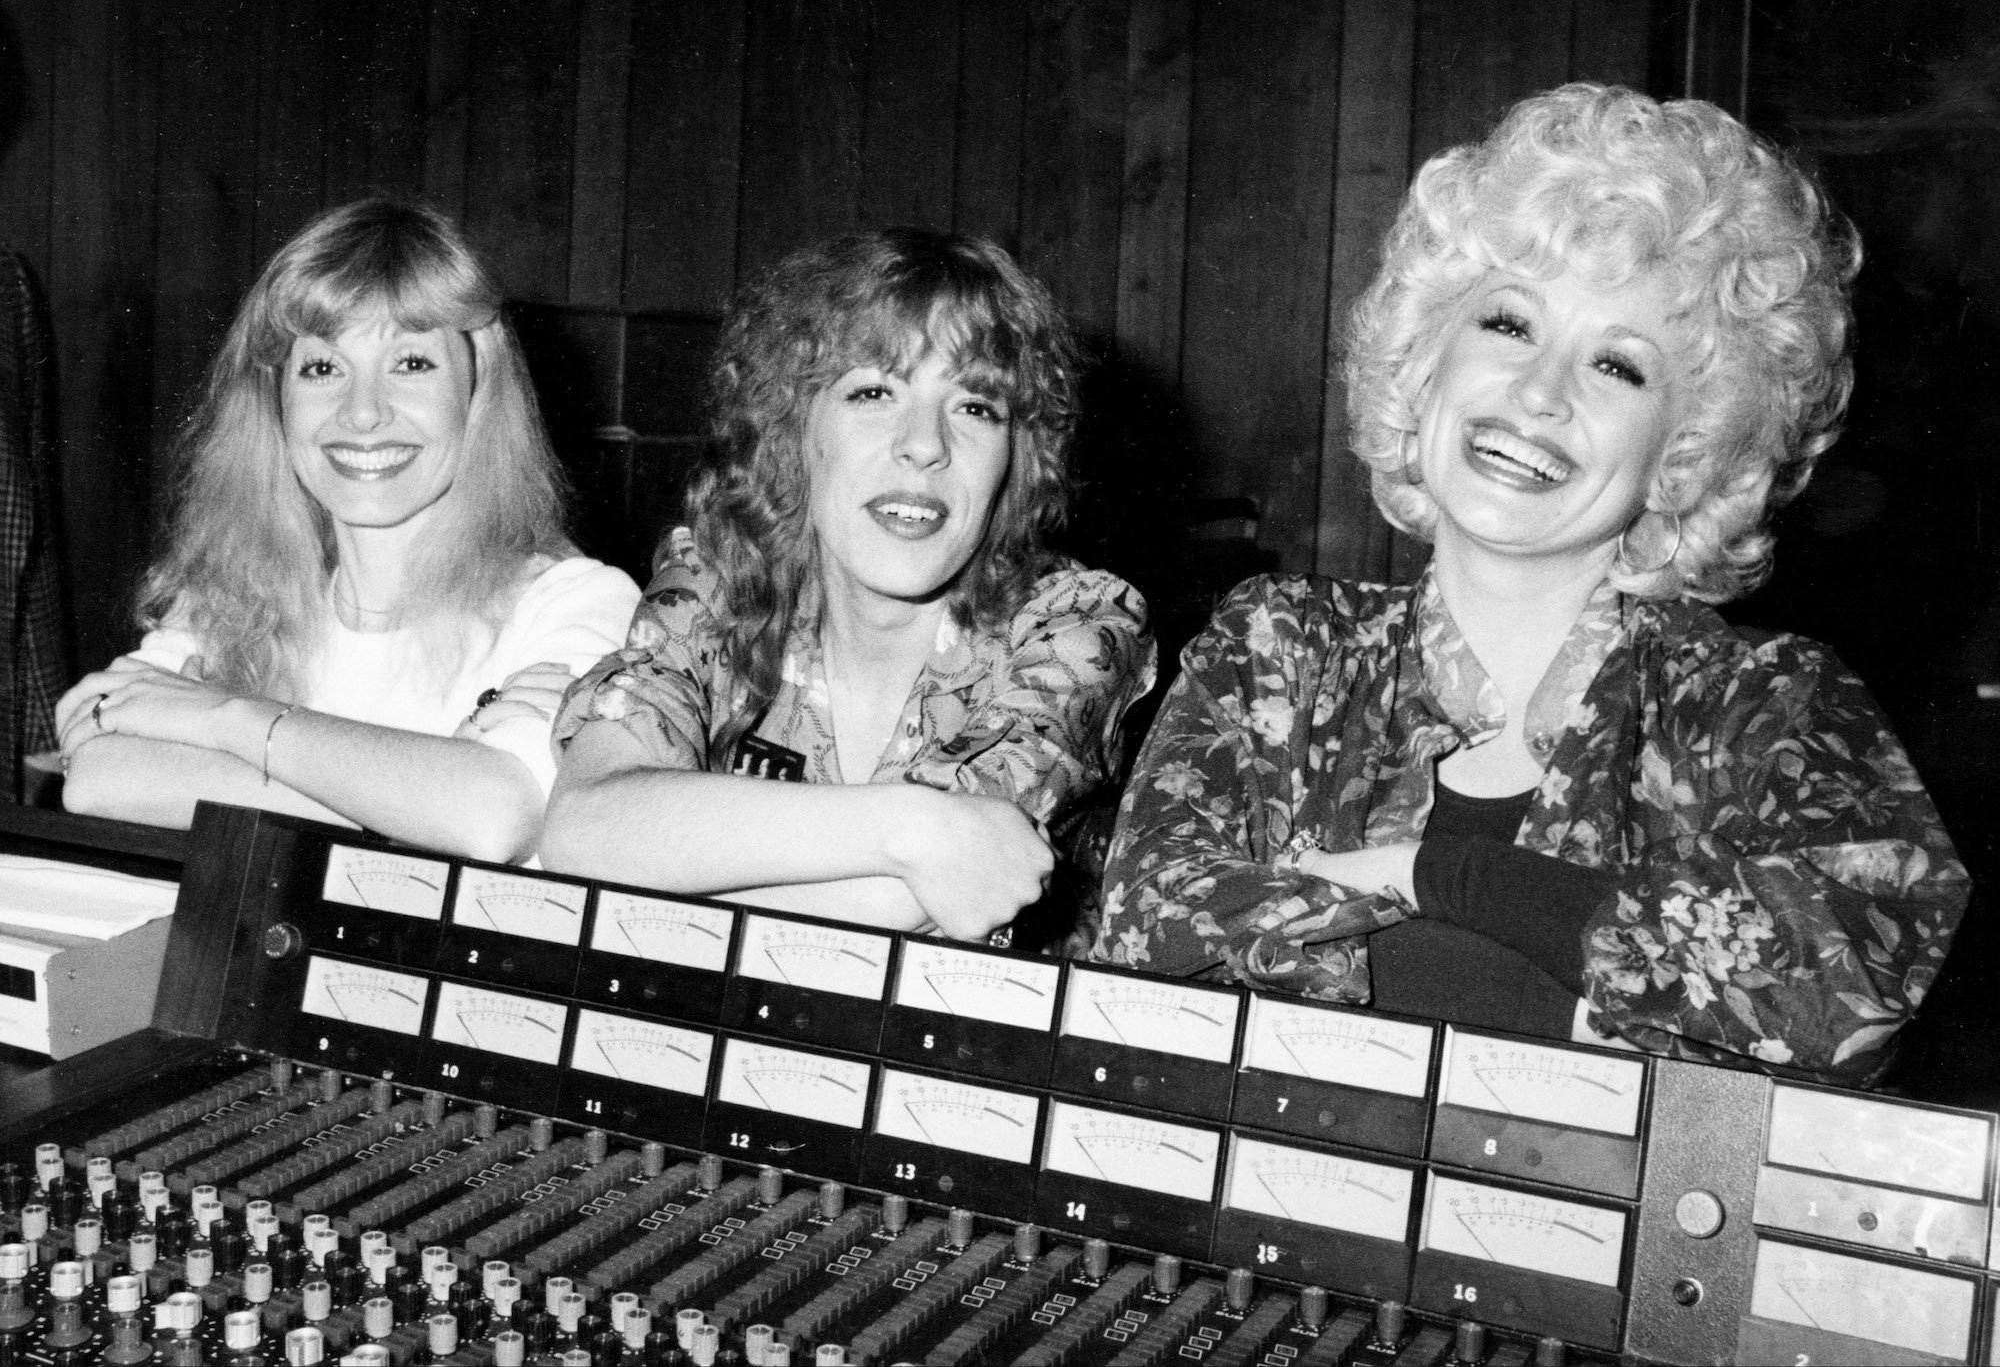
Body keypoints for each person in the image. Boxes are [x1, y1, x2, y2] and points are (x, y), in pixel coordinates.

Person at [1090, 84, 1968, 1086]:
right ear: (1424, 363)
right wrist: (1594, 956)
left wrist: (1429, 875)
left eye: (1616, 366)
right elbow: (1149, 934)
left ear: (1682, 456)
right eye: (1509, 325)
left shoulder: (1763, 703)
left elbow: (1847, 987)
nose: (1539, 394)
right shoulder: (1277, 648)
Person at [543, 228, 1155, 943]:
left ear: (1014, 462)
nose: (925, 444)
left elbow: (918, 902)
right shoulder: (716, 580)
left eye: (976, 407)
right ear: (792, 429)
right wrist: (910, 824)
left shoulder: (1076, 625)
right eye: (873, 391)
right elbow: (583, 827)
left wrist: (656, 876)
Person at [56, 199, 640, 864]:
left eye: (412, 364)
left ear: (476, 395)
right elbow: (98, 771)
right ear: (277, 401)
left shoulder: (580, 603)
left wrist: (221, 719)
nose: (362, 413)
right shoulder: (238, 597)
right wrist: (415, 799)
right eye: (323, 368)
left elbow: (491, 817)